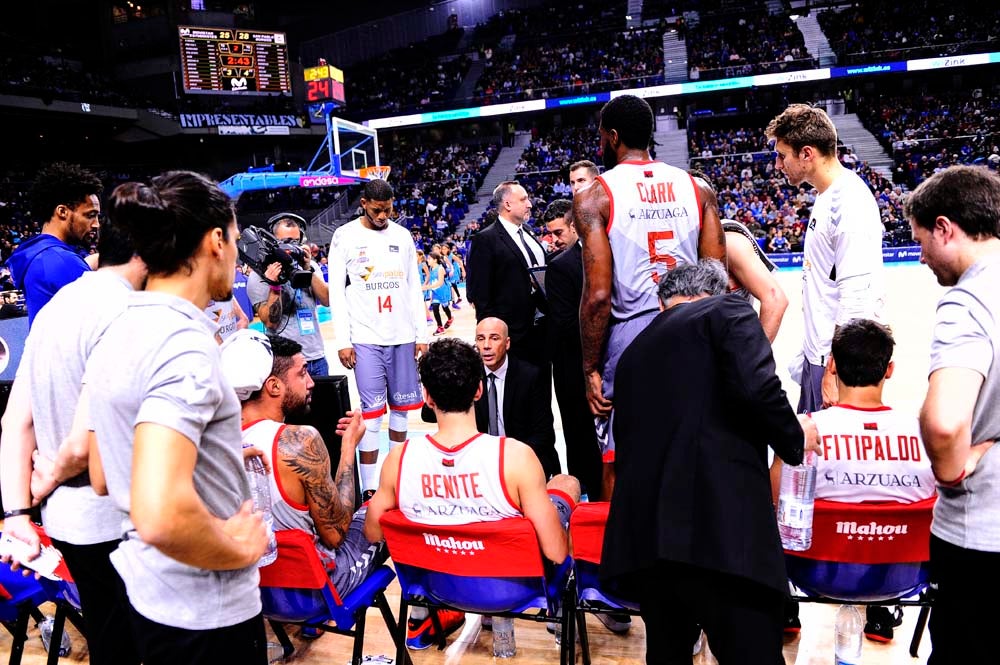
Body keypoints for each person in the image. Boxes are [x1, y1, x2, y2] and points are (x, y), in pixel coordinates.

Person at [84, 171, 269, 665]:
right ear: (214, 241)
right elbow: (161, 511)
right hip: (205, 609)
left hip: (149, 593)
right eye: (233, 241)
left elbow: (105, 475)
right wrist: (239, 553)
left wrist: (217, 458)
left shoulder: (118, 329)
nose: (235, 254)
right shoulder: (184, 344)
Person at [602, 259, 815, 665]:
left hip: (649, 546)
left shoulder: (633, 353)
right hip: (721, 536)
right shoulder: (727, 310)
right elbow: (760, 391)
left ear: (664, 304)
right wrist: (796, 438)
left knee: (667, 656)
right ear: (715, 291)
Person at [0, 187, 147, 665]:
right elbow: (92, 437)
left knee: (109, 641)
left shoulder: (59, 305)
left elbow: (14, 421)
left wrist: (18, 513)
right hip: (118, 518)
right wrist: (52, 474)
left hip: (66, 522)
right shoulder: (128, 314)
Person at [364, 337, 580, 650]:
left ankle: (424, 617)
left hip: (440, 586)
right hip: (513, 589)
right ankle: (558, 612)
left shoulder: (398, 460)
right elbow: (557, 553)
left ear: (426, 396)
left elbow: (373, 532)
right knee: (566, 484)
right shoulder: (515, 456)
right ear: (478, 390)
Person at [574, 94, 726, 499]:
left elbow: (599, 295)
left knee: (620, 456)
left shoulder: (595, 196)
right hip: (694, 324)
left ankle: (622, 551)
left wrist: (590, 366)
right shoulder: (698, 188)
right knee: (695, 440)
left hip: (634, 329)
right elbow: (717, 277)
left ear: (613, 136)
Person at [769, 318, 935, 643]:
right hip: (902, 575)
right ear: (889, 370)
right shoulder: (924, 434)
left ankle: (786, 609)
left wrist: (781, 454)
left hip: (811, 571)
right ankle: (880, 618)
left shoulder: (807, 430)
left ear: (831, 366)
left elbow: (774, 503)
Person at [904, 165, 1000, 663]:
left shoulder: (969, 301)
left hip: (981, 533)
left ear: (945, 228)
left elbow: (943, 423)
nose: (921, 257)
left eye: (922, 241)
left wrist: (956, 464)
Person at [225, 332, 385, 599]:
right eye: (302, 374)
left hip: (254, 590)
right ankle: (422, 615)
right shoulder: (298, 440)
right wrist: (348, 449)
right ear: (274, 386)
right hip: (312, 592)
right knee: (384, 504)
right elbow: (336, 535)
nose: (311, 382)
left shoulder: (213, 442)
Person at [765, 103, 886, 412]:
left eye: (782, 156)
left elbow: (858, 297)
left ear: (807, 153)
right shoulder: (826, 197)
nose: (778, 166)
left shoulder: (849, 202)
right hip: (819, 356)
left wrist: (837, 370)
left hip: (835, 365)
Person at [328, 179, 427, 500]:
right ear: (363, 204)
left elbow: (414, 288)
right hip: (365, 338)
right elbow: (336, 295)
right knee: (371, 415)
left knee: (401, 411)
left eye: (388, 209)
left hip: (402, 337)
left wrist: (421, 334)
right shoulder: (344, 236)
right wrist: (343, 340)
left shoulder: (403, 236)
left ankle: (396, 474)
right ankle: (370, 486)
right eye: (377, 210)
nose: (383, 215)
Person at [544, 199, 602, 499]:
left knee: (583, 436)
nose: (553, 241)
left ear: (574, 226)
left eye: (557, 233)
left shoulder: (561, 266)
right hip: (580, 365)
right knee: (581, 439)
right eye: (550, 234)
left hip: (578, 366)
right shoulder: (563, 263)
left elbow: (563, 324)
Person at [6, 162, 103, 326]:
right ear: (62, 212)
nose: (96, 224)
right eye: (90, 215)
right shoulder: (63, 261)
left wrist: (87, 263)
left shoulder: (38, 254)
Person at [466, 180, 548, 369]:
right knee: (517, 394)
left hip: (541, 331)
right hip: (513, 336)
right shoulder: (485, 239)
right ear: (508, 204)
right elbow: (481, 295)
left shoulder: (527, 231)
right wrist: (493, 338)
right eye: (524, 199)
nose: (529, 204)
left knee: (541, 391)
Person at [247, 212, 330, 377]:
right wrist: (275, 286)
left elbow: (327, 300)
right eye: (285, 242)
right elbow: (271, 322)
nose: (291, 247)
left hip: (316, 356)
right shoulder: (260, 274)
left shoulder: (310, 265)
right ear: (272, 240)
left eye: (295, 241)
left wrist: (308, 270)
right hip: (284, 360)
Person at [423, 251, 453, 335]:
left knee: (445, 308)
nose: (427, 260)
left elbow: (440, 282)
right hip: (435, 292)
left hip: (443, 291)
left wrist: (427, 287)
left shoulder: (440, 268)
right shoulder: (431, 268)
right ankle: (440, 327)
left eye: (429, 259)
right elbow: (432, 281)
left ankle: (450, 318)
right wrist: (425, 285)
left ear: (435, 260)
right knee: (435, 308)